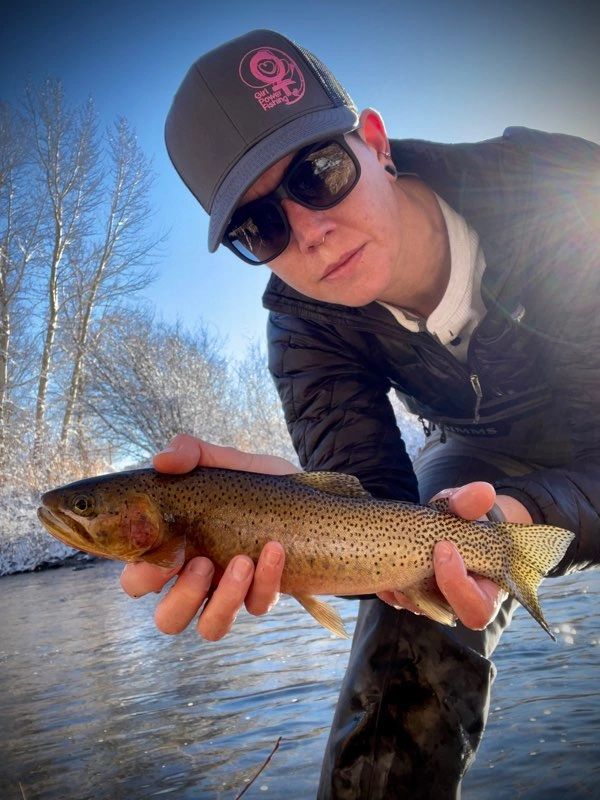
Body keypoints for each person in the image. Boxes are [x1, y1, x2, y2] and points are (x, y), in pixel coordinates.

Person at [120, 29, 600, 799]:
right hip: (475, 454)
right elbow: (372, 505)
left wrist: (537, 512)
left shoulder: (562, 192)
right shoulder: (303, 325)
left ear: (375, 142)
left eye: (319, 174)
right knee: (410, 600)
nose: (309, 232)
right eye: (261, 228)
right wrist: (293, 509)